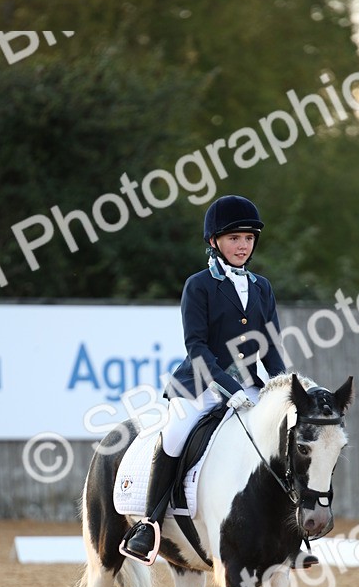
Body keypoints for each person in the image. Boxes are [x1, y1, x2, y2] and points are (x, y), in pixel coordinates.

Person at [120, 194, 287, 564]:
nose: (242, 245)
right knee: (176, 436)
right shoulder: (199, 285)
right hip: (197, 387)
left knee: (281, 436)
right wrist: (228, 389)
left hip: (248, 387)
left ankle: (286, 531)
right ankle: (148, 524)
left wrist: (283, 390)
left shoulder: (262, 287)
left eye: (248, 238)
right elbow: (197, 348)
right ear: (214, 241)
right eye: (234, 238)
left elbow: (271, 348)